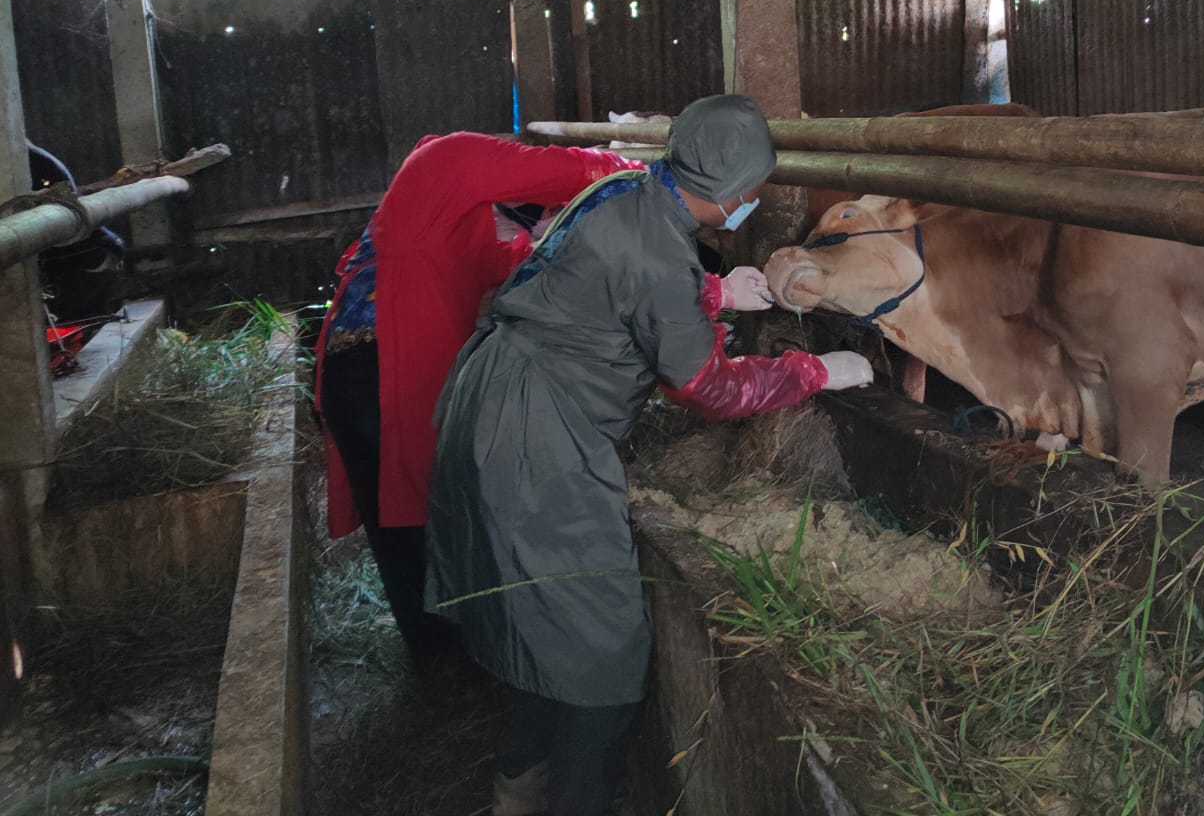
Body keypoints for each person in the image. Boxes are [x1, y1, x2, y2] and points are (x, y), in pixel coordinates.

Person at [424, 95, 873, 816]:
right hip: (540, 435)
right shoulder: (664, 251)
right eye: (753, 189)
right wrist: (815, 373)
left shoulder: (621, 187)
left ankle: (518, 787)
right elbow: (707, 388)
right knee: (602, 653)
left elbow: (602, 270)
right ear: (735, 193)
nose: (750, 201)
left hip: (492, 390)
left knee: (548, 624)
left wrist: (712, 292)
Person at [313, 131, 637, 658]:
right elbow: (569, 169)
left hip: (383, 372)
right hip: (376, 366)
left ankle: (448, 654)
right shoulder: (445, 158)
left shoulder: (460, 229)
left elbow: (542, 275)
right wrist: (639, 171)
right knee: (409, 518)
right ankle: (446, 660)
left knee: (414, 514)